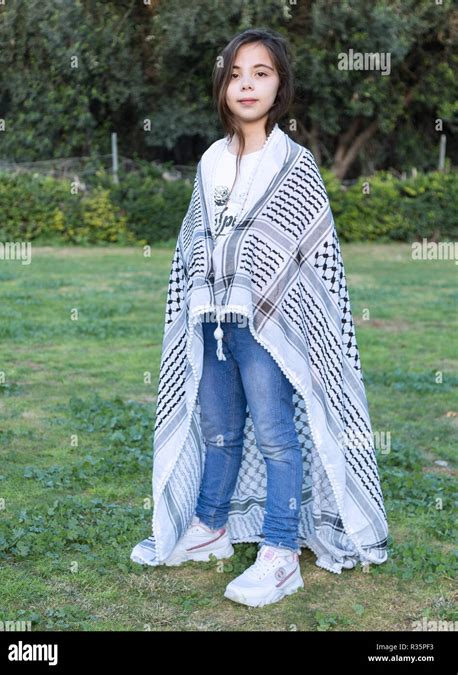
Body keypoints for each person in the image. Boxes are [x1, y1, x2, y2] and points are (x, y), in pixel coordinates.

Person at [130, 28, 388, 609]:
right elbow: (196, 242)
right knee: (219, 430)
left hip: (268, 327)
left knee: (275, 436)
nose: (248, 84)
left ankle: (279, 553)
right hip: (210, 321)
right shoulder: (209, 161)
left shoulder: (293, 164)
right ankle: (211, 527)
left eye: (262, 73)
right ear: (222, 87)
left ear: (280, 86)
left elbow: (306, 255)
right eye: (236, 74)